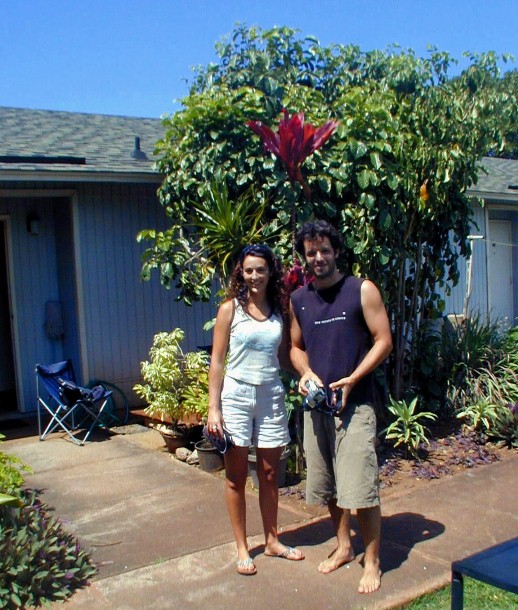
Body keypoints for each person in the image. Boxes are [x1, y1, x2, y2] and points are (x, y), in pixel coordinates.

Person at [289, 220, 392, 593]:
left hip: (356, 405)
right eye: (311, 252)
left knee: (361, 486)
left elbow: (384, 340)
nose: (318, 257)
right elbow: (295, 347)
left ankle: (373, 559)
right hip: (318, 407)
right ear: (304, 258)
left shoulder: (361, 290)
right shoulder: (299, 299)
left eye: (324, 250)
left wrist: (353, 378)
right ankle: (345, 546)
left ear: (336, 252)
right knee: (330, 484)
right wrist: (305, 373)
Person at [207, 243, 305, 576]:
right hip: (236, 398)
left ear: (270, 271)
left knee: (269, 475)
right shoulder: (229, 310)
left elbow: (288, 354)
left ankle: (273, 541)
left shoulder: (281, 309)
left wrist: (308, 374)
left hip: (271, 397)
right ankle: (241, 547)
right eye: (248, 270)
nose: (254, 276)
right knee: (236, 477)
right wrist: (214, 409)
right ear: (241, 272)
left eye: (260, 269)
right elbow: (217, 361)